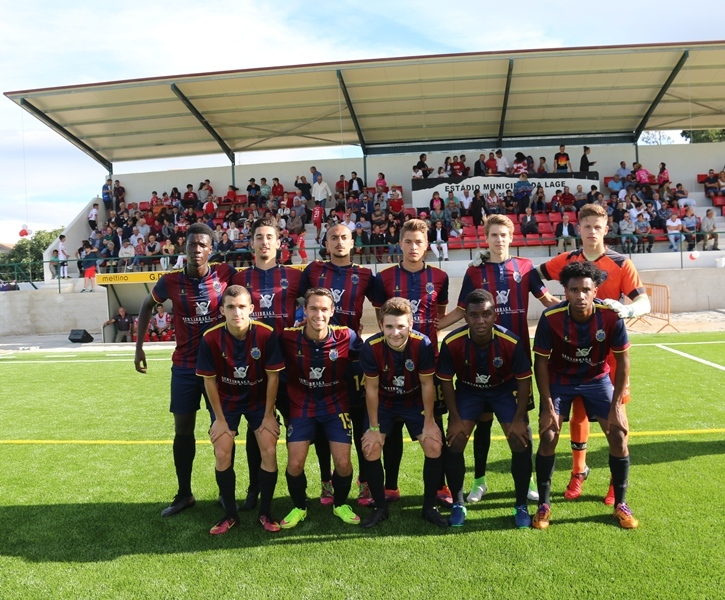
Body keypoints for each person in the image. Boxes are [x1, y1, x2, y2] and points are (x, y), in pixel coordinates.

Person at [438, 214, 556, 503]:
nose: (499, 240)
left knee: (520, 424)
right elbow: (461, 310)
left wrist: (588, 305)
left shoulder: (526, 268)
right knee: (483, 423)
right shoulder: (474, 271)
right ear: (485, 237)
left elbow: (548, 301)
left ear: (511, 237)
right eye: (494, 235)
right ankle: (479, 481)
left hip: (516, 360)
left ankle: (525, 480)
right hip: (480, 358)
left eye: (503, 235)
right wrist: (432, 326)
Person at [537, 203, 649, 505]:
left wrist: (627, 310)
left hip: (609, 352)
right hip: (572, 348)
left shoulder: (621, 262)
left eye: (597, 227)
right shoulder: (567, 260)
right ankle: (578, 471)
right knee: (577, 413)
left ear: (606, 229)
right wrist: (550, 304)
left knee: (616, 419)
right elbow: (533, 277)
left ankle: (615, 484)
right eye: (586, 226)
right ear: (578, 228)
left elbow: (645, 302)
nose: (591, 232)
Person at [134, 222, 236, 517]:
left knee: (223, 431)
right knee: (183, 432)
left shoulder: (225, 275)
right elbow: (145, 306)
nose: (197, 250)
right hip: (184, 369)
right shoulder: (170, 281)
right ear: (185, 248)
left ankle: (225, 493)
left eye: (203, 245)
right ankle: (184, 494)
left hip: (218, 369)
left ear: (211, 250)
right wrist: (139, 347)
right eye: (192, 245)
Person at [532, 261, 638, 530]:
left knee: (617, 434)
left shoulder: (610, 316)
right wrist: (547, 406)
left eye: (586, 290)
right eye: (574, 290)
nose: (580, 295)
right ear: (565, 291)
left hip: (597, 379)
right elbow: (541, 363)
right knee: (548, 435)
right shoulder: (551, 318)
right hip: (560, 379)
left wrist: (616, 405)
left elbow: (623, 362)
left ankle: (621, 504)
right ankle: (543, 505)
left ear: (595, 290)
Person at [439, 290, 534, 528]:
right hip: (469, 391)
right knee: (456, 439)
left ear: (494, 315)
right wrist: (455, 417)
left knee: (520, 439)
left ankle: (520, 505)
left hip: (503, 390)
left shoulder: (511, 342)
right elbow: (445, 382)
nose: (480, 321)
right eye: (474, 315)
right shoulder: (452, 342)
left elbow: (524, 381)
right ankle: (458, 503)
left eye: (486, 314)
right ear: (466, 318)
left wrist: (519, 418)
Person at [372, 218, 449, 504]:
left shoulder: (440, 277)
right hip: (391, 362)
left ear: (427, 245)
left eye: (419, 242)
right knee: (391, 430)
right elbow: (383, 318)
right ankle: (390, 486)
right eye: (408, 242)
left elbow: (439, 315)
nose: (413, 247)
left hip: (429, 361)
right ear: (400, 244)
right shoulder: (385, 278)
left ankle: (440, 487)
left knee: (434, 423)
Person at [196, 285, 284, 534]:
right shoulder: (210, 337)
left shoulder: (266, 334)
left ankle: (265, 512)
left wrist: (268, 415)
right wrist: (220, 421)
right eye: (231, 307)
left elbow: (273, 378)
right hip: (226, 402)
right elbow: (209, 381)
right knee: (222, 452)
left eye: (242, 307)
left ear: (252, 309)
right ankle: (229, 514)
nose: (237, 312)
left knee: (268, 448)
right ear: (222, 309)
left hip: (258, 401)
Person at [300, 224, 376, 505]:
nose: (339, 241)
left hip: (351, 358)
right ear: (326, 243)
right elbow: (300, 301)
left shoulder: (365, 275)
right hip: (318, 357)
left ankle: (365, 482)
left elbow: (383, 307)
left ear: (353, 242)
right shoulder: (313, 270)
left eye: (344, 237)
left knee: (358, 422)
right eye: (334, 237)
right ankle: (326, 482)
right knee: (323, 425)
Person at [231, 217, 302, 509]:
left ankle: (314, 486)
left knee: (300, 425)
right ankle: (254, 488)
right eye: (258, 237)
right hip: (255, 368)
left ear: (278, 242)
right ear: (251, 243)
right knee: (255, 430)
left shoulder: (296, 276)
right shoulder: (239, 278)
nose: (264, 242)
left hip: (291, 364)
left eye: (269, 237)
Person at [278, 288, 363, 529]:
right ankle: (299, 507)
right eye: (313, 308)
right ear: (304, 310)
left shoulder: (347, 336)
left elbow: (369, 359)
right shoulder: (287, 337)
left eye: (324, 309)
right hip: (301, 405)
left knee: (344, 464)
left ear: (332, 311)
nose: (318, 314)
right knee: (295, 464)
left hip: (335, 405)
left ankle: (340, 504)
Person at [359, 298, 447, 529]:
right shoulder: (371, 347)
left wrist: (429, 421)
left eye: (401, 326)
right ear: (381, 326)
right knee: (371, 448)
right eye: (389, 326)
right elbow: (372, 389)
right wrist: (374, 428)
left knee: (434, 444)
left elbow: (427, 385)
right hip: (385, 403)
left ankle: (429, 507)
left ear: (411, 324)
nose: (395, 332)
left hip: (413, 400)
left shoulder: (423, 344)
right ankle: (380, 507)